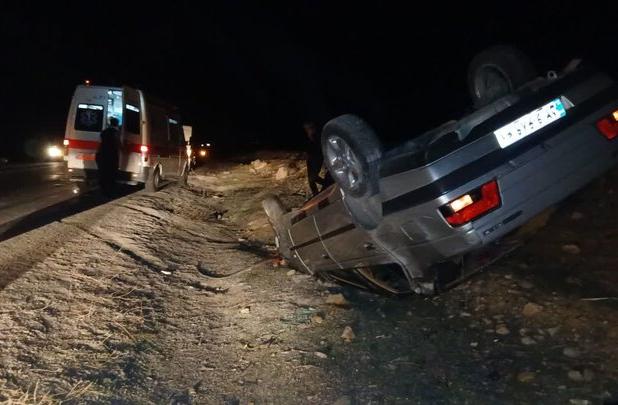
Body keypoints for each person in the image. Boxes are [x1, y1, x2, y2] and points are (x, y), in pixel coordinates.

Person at [303, 121, 332, 196]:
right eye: (307, 128)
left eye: (309, 128)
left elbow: (319, 147)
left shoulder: (316, 136)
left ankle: (327, 184)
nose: (308, 130)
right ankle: (316, 194)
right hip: (310, 158)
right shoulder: (309, 136)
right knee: (311, 179)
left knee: (313, 178)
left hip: (316, 158)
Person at [95, 117, 120, 196]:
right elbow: (118, 144)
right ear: (116, 124)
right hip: (110, 156)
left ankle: (102, 190)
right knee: (111, 174)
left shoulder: (104, 131)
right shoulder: (115, 132)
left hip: (101, 154)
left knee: (103, 173)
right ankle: (109, 192)